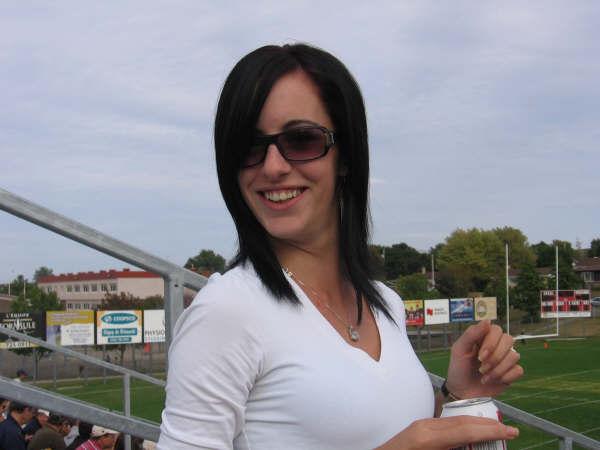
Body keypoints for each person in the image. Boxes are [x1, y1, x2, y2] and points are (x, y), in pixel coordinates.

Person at [158, 43, 524, 449]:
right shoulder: (227, 312)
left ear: (345, 156)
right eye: (249, 146)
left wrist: (456, 395)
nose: (273, 166)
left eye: (301, 140)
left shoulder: (385, 303)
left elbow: (386, 427)